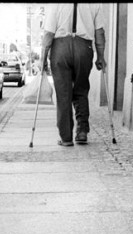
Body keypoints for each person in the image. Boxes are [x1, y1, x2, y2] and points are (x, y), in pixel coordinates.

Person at [41, 3, 106, 146]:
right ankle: (82, 131)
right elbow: (99, 32)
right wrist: (100, 57)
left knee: (63, 93)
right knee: (81, 90)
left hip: (60, 48)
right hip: (84, 48)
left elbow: (48, 34)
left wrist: (43, 58)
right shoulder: (95, 5)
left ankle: (66, 137)